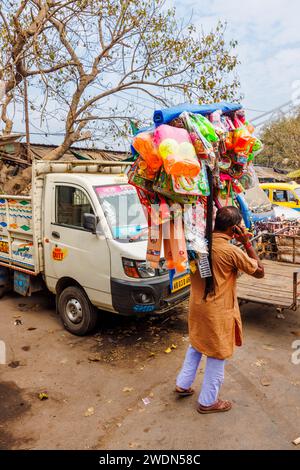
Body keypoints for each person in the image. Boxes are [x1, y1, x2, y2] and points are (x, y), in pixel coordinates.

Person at [175, 206, 264, 414]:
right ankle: (208, 401)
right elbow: (260, 272)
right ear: (234, 229)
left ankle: (183, 383)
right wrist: (246, 243)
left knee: (197, 344)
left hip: (197, 306)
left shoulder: (198, 244)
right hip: (217, 311)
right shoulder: (231, 251)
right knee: (218, 353)